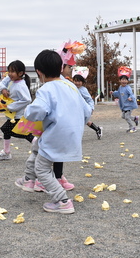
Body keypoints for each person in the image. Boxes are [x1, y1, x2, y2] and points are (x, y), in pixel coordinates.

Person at [14, 50, 92, 214]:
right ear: (61, 67)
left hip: (56, 135)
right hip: (71, 134)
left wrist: (28, 111)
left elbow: (38, 111)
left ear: (39, 73)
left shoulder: (46, 89)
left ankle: (62, 200)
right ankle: (28, 180)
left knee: (42, 168)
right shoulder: (70, 85)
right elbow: (86, 110)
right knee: (37, 147)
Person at [0, 60, 32, 161]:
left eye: (12, 71)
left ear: (20, 73)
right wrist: (3, 89)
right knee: (7, 131)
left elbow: (27, 99)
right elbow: (2, 83)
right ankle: (6, 152)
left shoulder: (20, 85)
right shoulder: (11, 80)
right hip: (12, 115)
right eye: (9, 71)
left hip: (19, 115)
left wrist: (11, 106)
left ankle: (39, 146)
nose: (9, 74)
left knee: (22, 133)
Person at [72, 74, 102, 139]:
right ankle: (97, 129)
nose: (77, 83)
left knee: (81, 122)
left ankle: (76, 136)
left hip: (83, 109)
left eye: (79, 81)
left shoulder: (83, 90)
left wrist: (91, 108)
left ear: (82, 82)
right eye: (75, 81)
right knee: (84, 121)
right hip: (76, 109)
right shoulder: (72, 88)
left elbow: (89, 99)